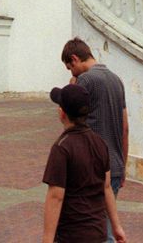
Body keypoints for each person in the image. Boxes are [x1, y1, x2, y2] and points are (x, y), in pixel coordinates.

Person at [62, 38, 128, 243]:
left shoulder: (85, 81)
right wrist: (123, 164)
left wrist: (72, 85)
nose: (71, 73)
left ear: (75, 58)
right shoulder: (117, 80)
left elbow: (68, 120)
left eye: (69, 67)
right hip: (115, 164)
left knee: (99, 231)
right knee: (106, 226)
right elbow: (125, 127)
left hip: (93, 166)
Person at [42, 83, 127, 243]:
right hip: (98, 232)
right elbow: (107, 187)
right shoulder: (100, 142)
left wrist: (47, 239)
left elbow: (55, 196)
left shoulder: (62, 147)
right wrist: (116, 227)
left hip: (71, 234)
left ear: (62, 113)